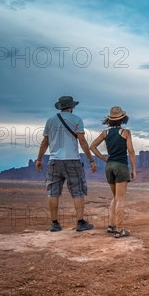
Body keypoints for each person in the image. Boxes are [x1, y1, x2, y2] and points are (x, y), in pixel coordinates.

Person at [36, 96, 97, 232]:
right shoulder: (77, 119)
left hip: (54, 161)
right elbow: (82, 141)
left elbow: (45, 142)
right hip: (72, 161)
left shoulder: (50, 120)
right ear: (72, 107)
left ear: (60, 106)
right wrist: (91, 160)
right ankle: (81, 223)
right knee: (78, 191)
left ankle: (54, 224)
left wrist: (39, 159)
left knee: (53, 192)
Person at [90, 106, 136, 238]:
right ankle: (120, 229)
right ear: (122, 119)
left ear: (110, 120)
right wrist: (133, 169)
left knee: (115, 197)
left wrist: (103, 158)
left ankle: (111, 226)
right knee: (120, 199)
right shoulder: (126, 132)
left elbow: (92, 146)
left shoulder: (105, 133)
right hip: (121, 166)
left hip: (109, 166)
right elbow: (131, 151)